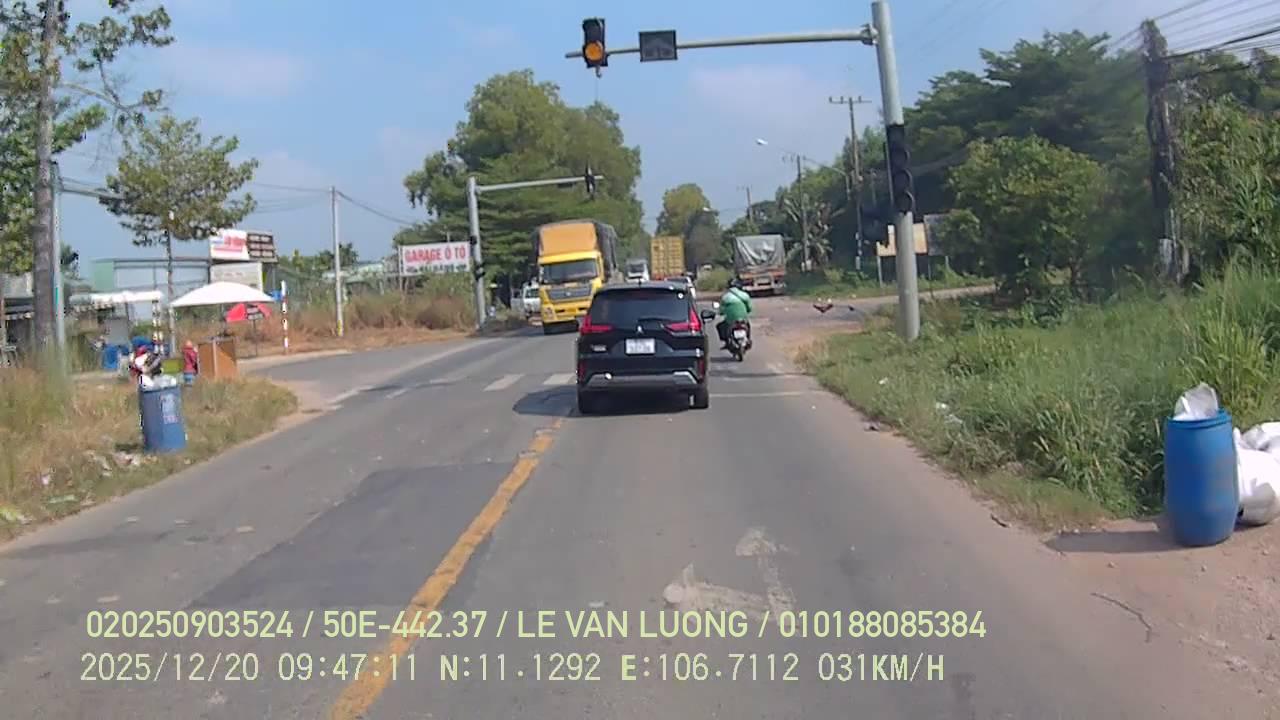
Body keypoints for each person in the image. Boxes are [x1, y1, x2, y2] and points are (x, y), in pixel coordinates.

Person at [716, 278, 753, 349]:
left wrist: (721, 313)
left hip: (730, 320)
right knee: (748, 325)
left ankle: (726, 342)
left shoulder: (725, 297)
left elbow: (721, 310)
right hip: (743, 318)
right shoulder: (745, 295)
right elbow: (749, 308)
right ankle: (748, 339)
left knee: (720, 326)